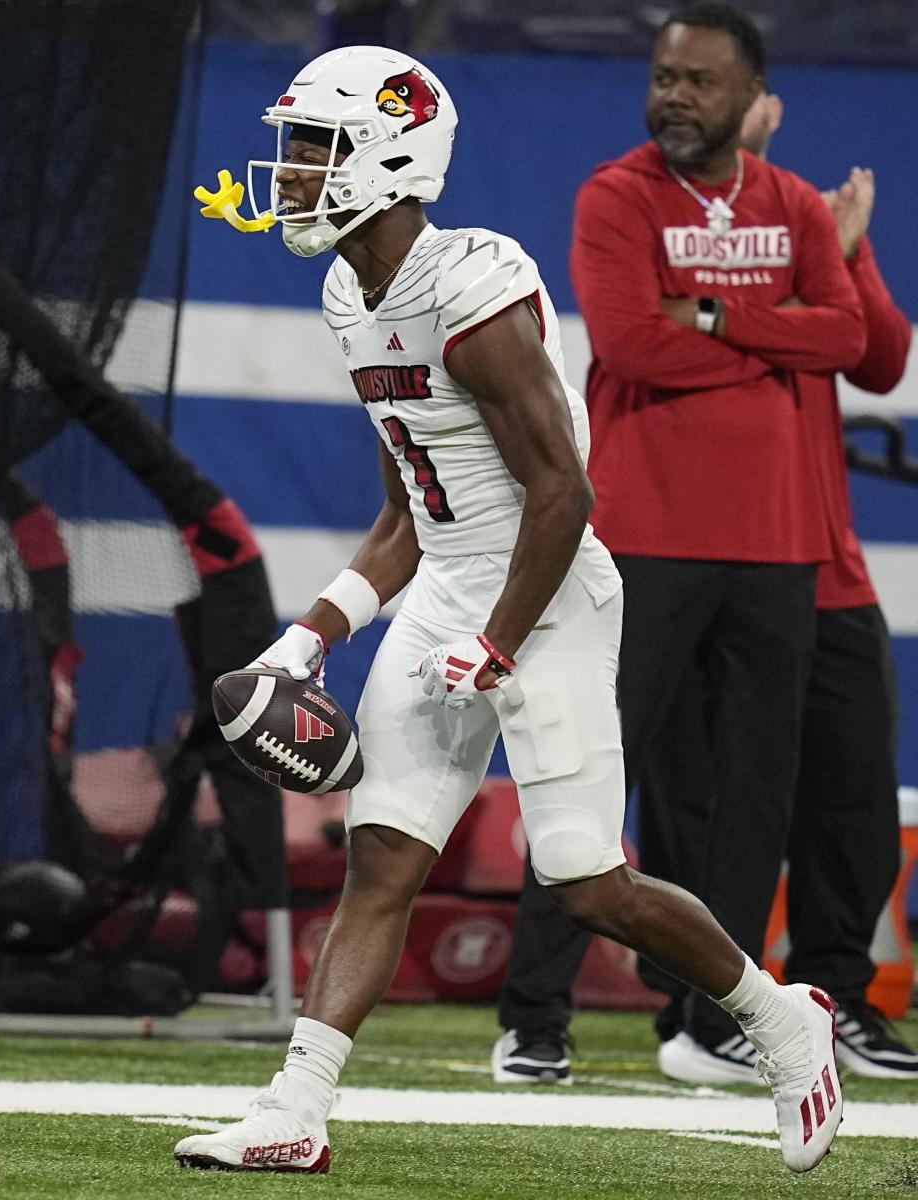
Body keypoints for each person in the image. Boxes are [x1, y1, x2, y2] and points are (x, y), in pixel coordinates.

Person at [175, 43, 842, 1176]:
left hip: (551, 588)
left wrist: (496, 644)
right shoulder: (349, 287)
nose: (286, 170)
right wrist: (309, 637)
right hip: (448, 588)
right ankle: (295, 1110)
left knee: (586, 881)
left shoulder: (468, 285)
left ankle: (783, 1024)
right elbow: (406, 513)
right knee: (383, 855)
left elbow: (562, 491)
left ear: (386, 158)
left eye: (311, 147)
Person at [492, 1, 868, 1086]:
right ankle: (533, 1017)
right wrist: (767, 330)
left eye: (700, 80)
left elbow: (842, 336)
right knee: (586, 779)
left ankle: (716, 1025)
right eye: (664, 76)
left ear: (751, 100)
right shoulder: (615, 197)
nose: (674, 96)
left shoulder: (795, 204)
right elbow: (628, 344)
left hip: (776, 546)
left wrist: (707, 315)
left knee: (756, 799)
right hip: (643, 538)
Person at [640, 92, 917, 1082]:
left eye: (729, 85)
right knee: (710, 803)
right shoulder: (654, 211)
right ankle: (710, 1009)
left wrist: (848, 255)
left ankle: (834, 1002)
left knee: (853, 799)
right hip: (712, 559)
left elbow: (877, 354)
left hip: (825, 566)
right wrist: (780, 312)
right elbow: (666, 315)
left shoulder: (803, 220)